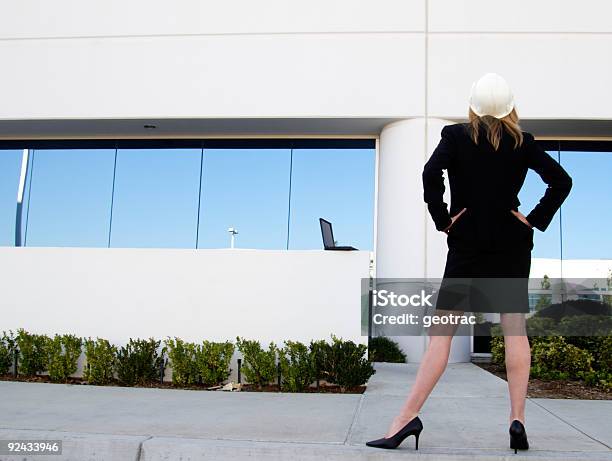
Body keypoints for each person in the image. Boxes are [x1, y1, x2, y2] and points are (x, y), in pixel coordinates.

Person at [365, 72, 573, 453]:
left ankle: (405, 418)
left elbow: (430, 173)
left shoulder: (457, 136)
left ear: (473, 108)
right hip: (511, 244)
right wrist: (534, 218)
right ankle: (517, 420)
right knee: (515, 332)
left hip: (467, 244)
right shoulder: (522, 142)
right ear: (510, 107)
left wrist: (443, 218)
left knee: (440, 337)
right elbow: (561, 181)